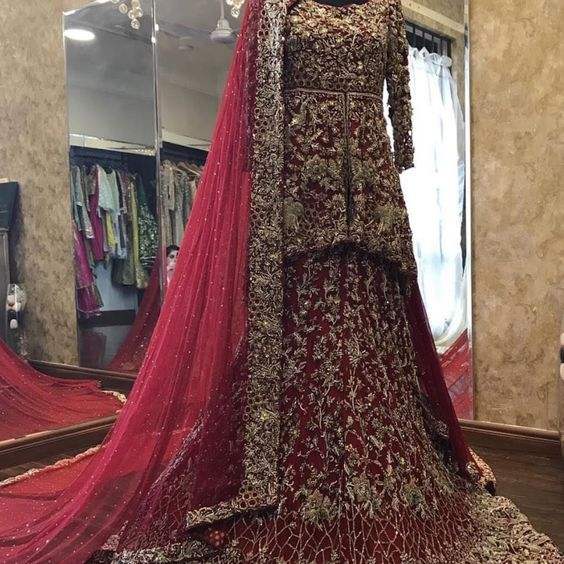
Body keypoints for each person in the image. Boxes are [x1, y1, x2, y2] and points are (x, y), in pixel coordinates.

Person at [0, 1, 560, 562]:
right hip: (301, 203)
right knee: (301, 338)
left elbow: (401, 117)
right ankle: (280, 479)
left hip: (373, 201)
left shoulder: (387, 11)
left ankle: (389, 477)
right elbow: (255, 118)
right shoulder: (273, 10)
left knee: (377, 342)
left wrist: (404, 147)